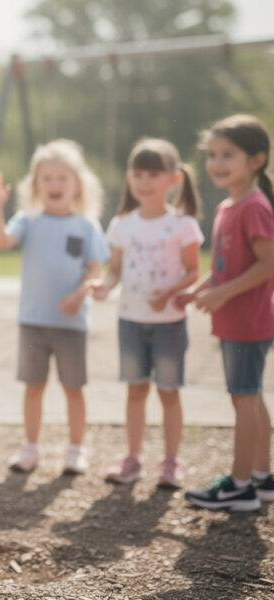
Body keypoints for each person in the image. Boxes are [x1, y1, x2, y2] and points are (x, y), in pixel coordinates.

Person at [0, 139, 109, 475]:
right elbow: (0, 242)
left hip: (73, 324)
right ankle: (31, 448)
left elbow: (95, 269)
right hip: (33, 321)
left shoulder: (86, 225)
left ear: (77, 184)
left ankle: (76, 450)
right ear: (36, 184)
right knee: (33, 387)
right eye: (47, 178)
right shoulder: (28, 220)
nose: (54, 184)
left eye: (62, 178)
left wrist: (78, 295)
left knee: (73, 389)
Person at [92, 138, 204, 488]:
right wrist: (106, 286)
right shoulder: (122, 223)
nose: (144, 181)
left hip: (169, 324)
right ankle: (132, 459)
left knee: (168, 392)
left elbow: (192, 272)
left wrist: (169, 294)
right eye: (138, 174)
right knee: (136, 390)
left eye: (153, 174)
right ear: (129, 178)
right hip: (130, 322)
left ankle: (171, 463)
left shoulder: (184, 224)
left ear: (173, 179)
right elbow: (115, 270)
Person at [177, 114, 274, 511]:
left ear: (256, 160)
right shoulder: (228, 206)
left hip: (247, 322)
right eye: (212, 154)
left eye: (227, 155)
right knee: (252, 396)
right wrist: (197, 290)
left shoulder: (253, 206)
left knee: (244, 399)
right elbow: (223, 266)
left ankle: (238, 486)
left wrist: (222, 296)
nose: (216, 163)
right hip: (238, 320)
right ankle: (263, 478)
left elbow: (268, 264)